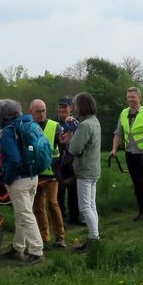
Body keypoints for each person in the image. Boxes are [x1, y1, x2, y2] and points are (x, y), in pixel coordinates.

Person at [0, 99, 44, 264]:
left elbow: (13, 159)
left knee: (25, 214)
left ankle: (36, 251)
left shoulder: (8, 131)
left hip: (18, 180)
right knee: (22, 214)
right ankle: (17, 247)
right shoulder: (29, 124)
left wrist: (8, 178)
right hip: (33, 176)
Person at [110, 87, 143, 221]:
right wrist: (114, 149)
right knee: (136, 184)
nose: (130, 100)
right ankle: (142, 210)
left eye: (133, 97)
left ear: (139, 98)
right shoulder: (123, 113)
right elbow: (118, 133)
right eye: (128, 97)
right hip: (129, 153)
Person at [63, 92, 101, 252]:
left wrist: (68, 140)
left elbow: (75, 148)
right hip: (93, 169)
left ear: (82, 106)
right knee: (91, 205)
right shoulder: (94, 121)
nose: (74, 108)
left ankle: (94, 239)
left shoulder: (85, 125)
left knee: (85, 206)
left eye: (76, 105)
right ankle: (94, 236)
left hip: (84, 170)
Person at [29, 99, 67, 248]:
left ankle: (60, 237)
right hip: (35, 174)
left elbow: (62, 148)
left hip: (51, 173)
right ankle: (44, 237)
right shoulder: (27, 127)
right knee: (38, 207)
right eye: (38, 111)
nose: (42, 113)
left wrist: (64, 143)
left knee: (52, 203)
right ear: (31, 111)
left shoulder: (54, 126)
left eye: (43, 110)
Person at [55, 96, 81, 226]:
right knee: (59, 193)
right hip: (58, 162)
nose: (62, 109)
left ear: (70, 108)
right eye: (60, 107)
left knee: (73, 192)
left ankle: (75, 218)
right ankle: (60, 220)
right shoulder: (53, 123)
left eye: (65, 107)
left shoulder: (76, 123)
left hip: (72, 161)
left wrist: (72, 125)